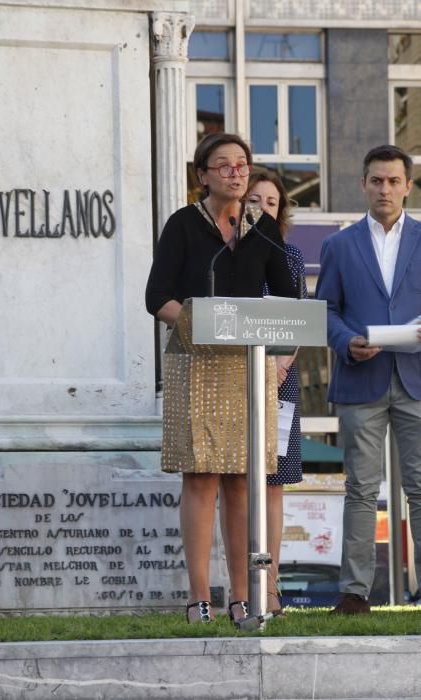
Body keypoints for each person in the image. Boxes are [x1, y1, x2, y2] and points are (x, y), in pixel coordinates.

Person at [145, 132, 296, 623]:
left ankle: (241, 594)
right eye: (224, 165)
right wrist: (197, 323)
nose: (235, 172)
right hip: (197, 359)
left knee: (240, 483)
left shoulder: (263, 226)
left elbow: (291, 298)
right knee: (202, 477)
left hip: (246, 367)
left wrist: (280, 358)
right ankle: (197, 598)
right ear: (202, 175)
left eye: (242, 165)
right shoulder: (184, 225)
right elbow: (157, 296)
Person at [316, 144, 421, 614]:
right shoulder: (339, 245)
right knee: (360, 487)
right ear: (363, 184)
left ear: (408, 186)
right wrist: (344, 342)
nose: (385, 189)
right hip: (362, 376)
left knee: (420, 487)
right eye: (376, 180)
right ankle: (355, 593)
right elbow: (326, 312)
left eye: (394, 181)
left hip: (417, 377)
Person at [246, 169, 307, 616]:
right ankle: (237, 587)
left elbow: (299, 319)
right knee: (232, 487)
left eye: (271, 202)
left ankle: (270, 588)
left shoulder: (291, 256)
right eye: (255, 201)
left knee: (272, 487)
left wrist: (279, 364)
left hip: (280, 384)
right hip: (233, 382)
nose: (263, 208)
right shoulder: (224, 254)